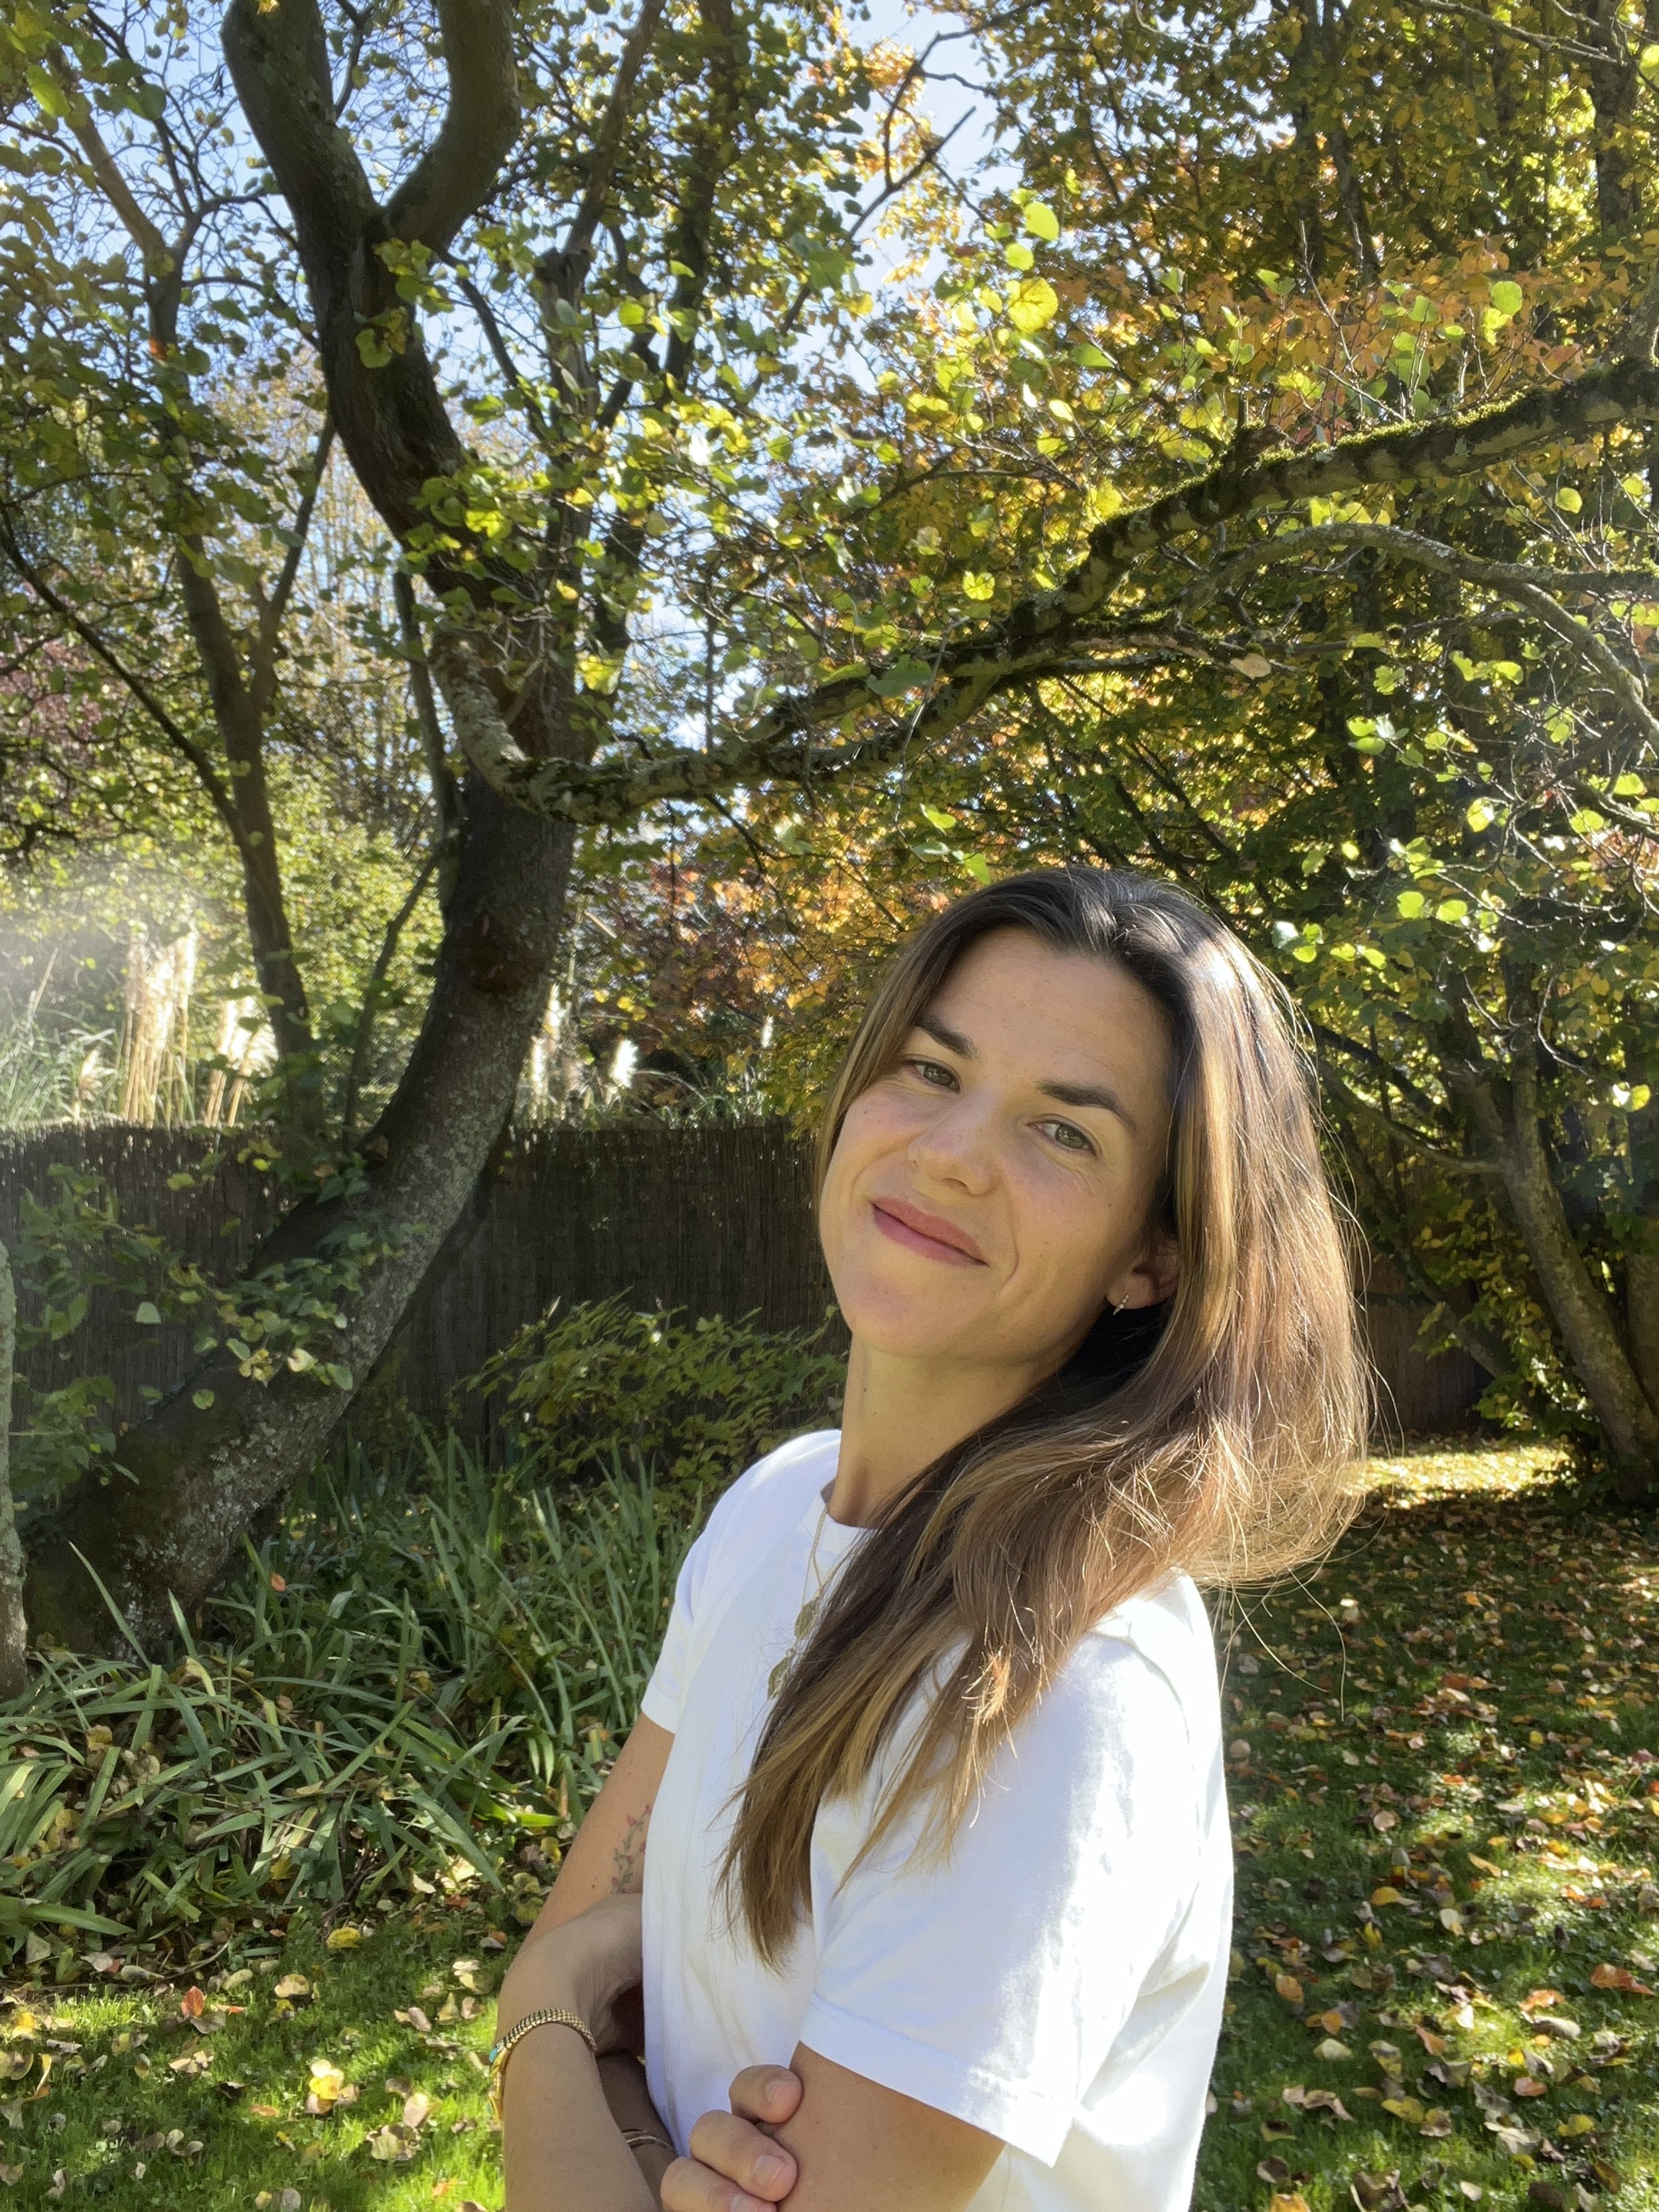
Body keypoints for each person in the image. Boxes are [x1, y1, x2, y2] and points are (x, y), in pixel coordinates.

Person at [492, 865, 1367, 2211]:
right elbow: (594, 1927)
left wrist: (540, 2019)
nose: (952, 1149)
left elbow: (569, 1973)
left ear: (1153, 1257)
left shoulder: (1055, 1681)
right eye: (928, 1066)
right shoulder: (774, 1505)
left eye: (1062, 1132)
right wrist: (593, 2054)